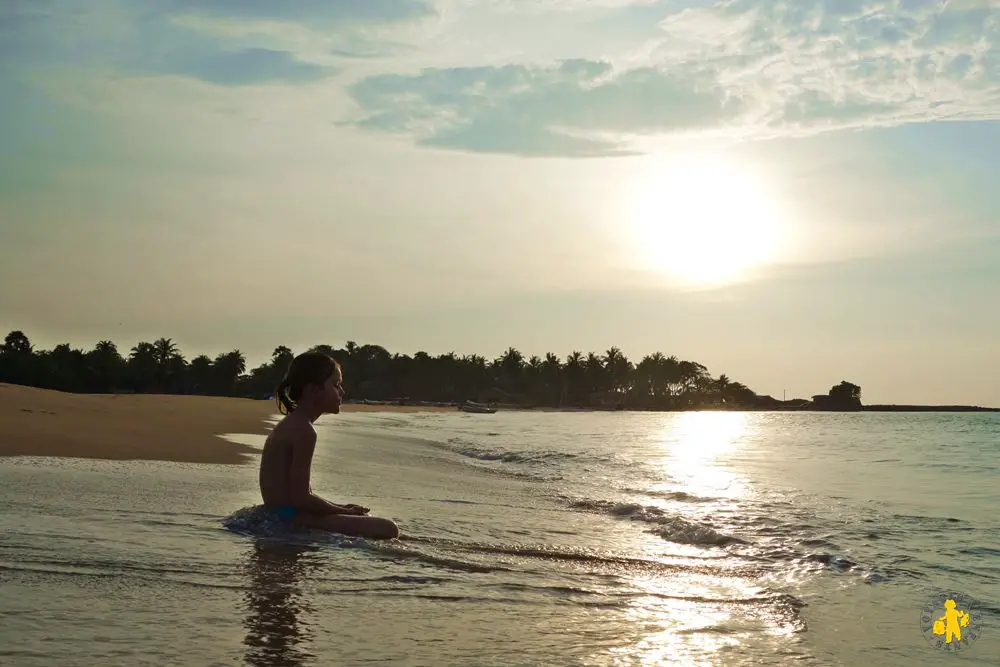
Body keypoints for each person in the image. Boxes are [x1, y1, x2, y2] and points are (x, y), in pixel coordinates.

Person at [259, 351, 399, 539]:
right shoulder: (304, 431)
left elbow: (300, 495)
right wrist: (343, 512)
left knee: (369, 522)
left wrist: (341, 508)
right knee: (387, 528)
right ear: (313, 390)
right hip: (288, 516)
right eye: (336, 385)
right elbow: (301, 499)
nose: (342, 391)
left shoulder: (294, 423)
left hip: (283, 512)